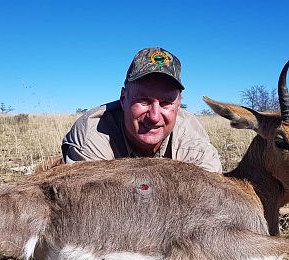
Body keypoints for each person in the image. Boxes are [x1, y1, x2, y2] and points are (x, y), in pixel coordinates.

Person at [62, 47, 222, 173]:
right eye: (144, 100)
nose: (154, 117)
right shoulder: (92, 136)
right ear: (124, 99)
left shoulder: (193, 142)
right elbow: (91, 207)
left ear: (178, 105)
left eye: (166, 103)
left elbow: (212, 202)